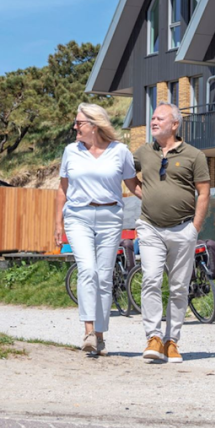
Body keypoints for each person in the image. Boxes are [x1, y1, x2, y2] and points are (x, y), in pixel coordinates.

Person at [55, 102, 141, 357]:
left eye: (79, 123)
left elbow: (133, 185)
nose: (75, 127)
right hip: (78, 216)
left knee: (105, 277)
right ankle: (89, 332)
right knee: (88, 270)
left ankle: (101, 336)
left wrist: (159, 202)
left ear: (94, 125)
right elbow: (62, 189)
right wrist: (57, 223)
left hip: (110, 215)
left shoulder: (120, 151)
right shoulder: (71, 151)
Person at [134, 102, 210, 364]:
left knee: (178, 287)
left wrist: (195, 228)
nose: (153, 121)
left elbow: (203, 191)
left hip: (183, 229)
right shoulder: (144, 152)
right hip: (150, 227)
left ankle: (171, 341)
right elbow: (126, 172)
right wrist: (141, 193)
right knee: (151, 280)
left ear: (175, 124)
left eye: (159, 118)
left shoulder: (194, 155)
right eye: (152, 118)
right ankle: (153, 337)